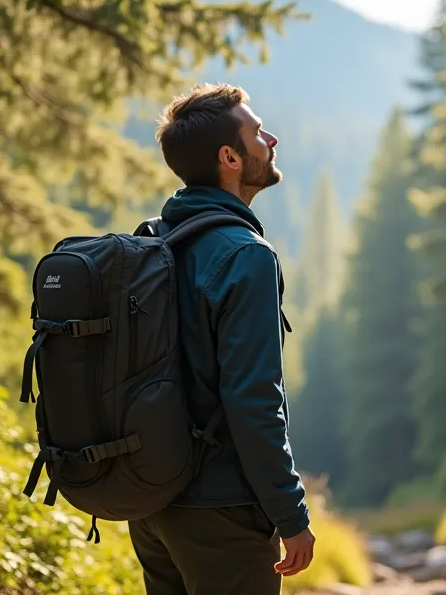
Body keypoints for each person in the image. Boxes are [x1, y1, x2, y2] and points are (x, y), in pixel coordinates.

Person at [131, 82, 315, 594]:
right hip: (222, 512)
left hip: (154, 504)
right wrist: (290, 513)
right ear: (230, 157)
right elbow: (253, 400)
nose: (271, 139)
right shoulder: (246, 256)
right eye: (258, 133)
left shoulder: (154, 242)